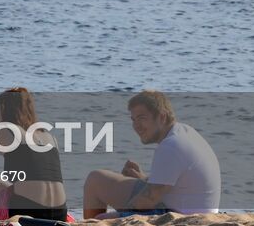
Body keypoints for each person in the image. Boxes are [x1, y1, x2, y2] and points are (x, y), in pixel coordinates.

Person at [82, 90, 220, 219]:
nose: (136, 125)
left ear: (162, 116)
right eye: (133, 119)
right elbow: (172, 185)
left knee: (99, 221)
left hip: (181, 217)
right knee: (96, 179)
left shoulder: (171, 146)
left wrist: (116, 217)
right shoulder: (183, 132)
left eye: (142, 118)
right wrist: (143, 178)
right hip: (190, 209)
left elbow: (148, 200)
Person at [0, 87, 68, 222]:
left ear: (4, 108)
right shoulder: (49, 137)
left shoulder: (4, 130)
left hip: (28, 212)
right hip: (59, 213)